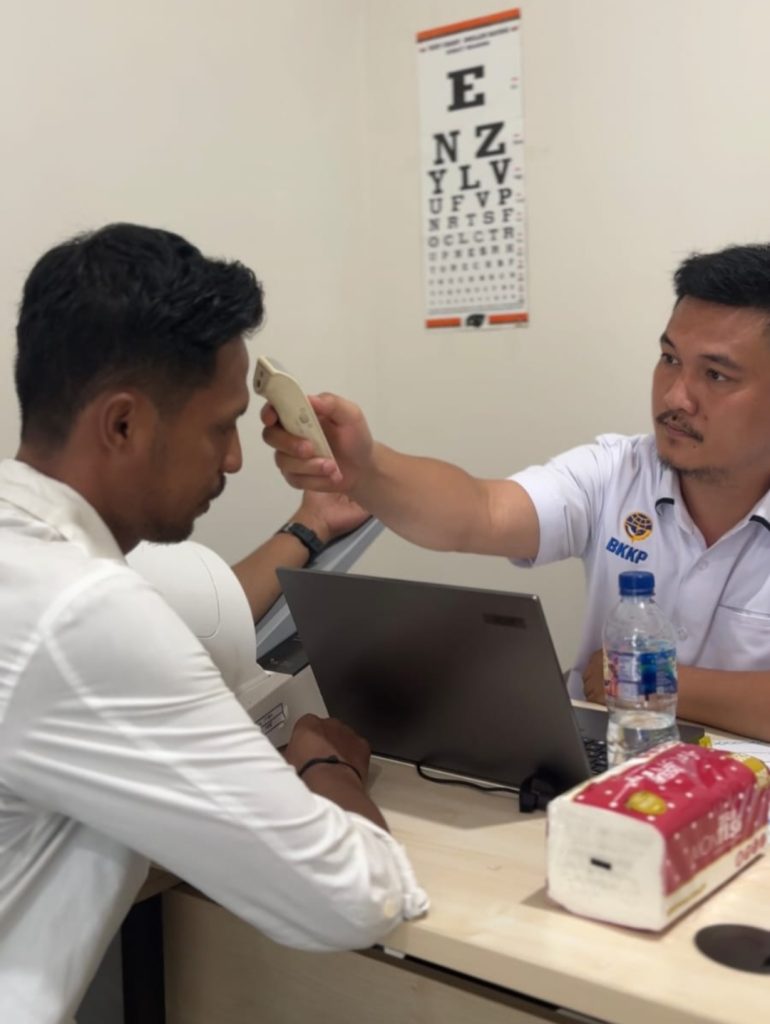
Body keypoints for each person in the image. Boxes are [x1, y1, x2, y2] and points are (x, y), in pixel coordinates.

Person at [0, 223, 427, 1024]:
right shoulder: (85, 614)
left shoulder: (30, 560)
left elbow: (197, 609)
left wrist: (309, 528)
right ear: (123, 425)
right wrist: (323, 764)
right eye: (220, 426)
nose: (233, 459)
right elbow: (355, 899)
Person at [263, 242, 770, 744]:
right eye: (669, 358)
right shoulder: (618, 470)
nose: (676, 396)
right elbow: (481, 511)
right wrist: (365, 469)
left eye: (716, 374)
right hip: (611, 762)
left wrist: (640, 675)